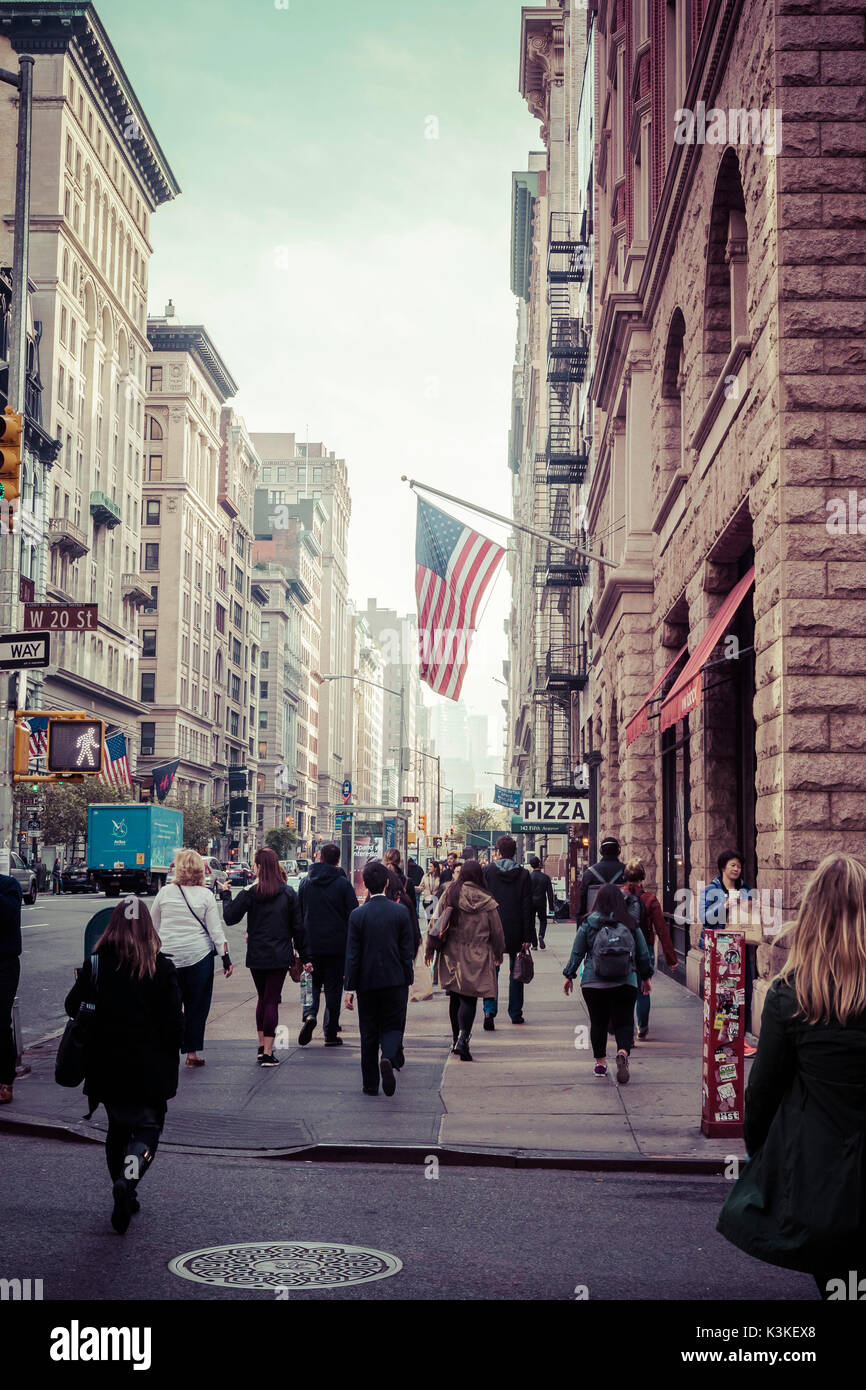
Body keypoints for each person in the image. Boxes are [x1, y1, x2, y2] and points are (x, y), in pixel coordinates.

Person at [717, 853, 866, 1299]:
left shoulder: (791, 994)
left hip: (820, 1171)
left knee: (841, 1283)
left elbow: (761, 1094)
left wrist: (766, 1157)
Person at [64, 899, 183, 1234]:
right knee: (147, 1129)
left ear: (112, 925)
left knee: (117, 1128)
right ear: (148, 926)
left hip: (107, 1063)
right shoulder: (160, 967)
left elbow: (72, 1006)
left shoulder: (98, 963)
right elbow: (175, 1023)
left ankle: (123, 1186)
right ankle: (127, 1183)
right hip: (150, 1066)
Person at [223, 847, 310, 1066]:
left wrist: (225, 894)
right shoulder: (289, 893)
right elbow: (298, 928)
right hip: (280, 955)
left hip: (257, 954)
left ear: (259, 867)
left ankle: (262, 1046)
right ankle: (269, 1052)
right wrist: (306, 955)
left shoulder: (251, 893)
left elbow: (230, 917)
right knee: (272, 1000)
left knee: (262, 998)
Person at [562, 883, 653, 1084]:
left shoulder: (589, 923)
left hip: (594, 983)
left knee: (598, 1022)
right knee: (624, 1021)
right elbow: (643, 953)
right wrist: (645, 977)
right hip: (625, 982)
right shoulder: (630, 922)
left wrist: (569, 975)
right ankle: (622, 1052)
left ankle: (601, 1063)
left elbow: (577, 951)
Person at [151, 849, 231, 1069]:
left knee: (168, 1006)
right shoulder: (206, 895)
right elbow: (216, 931)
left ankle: (165, 1050)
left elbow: (153, 927)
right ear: (199, 870)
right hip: (199, 957)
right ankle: (192, 1053)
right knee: (197, 1007)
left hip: (168, 958)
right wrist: (225, 958)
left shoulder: (165, 893)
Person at [344, 859, 415, 1096]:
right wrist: (408, 976)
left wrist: (349, 988)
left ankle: (370, 1083)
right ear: (387, 883)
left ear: (365, 884)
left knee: (368, 1031)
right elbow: (407, 950)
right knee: (394, 1026)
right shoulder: (400, 912)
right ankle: (387, 1057)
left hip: (367, 982)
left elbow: (353, 955)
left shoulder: (357, 915)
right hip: (395, 980)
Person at [426, 859, 504, 1060]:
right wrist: (498, 953)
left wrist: (430, 948)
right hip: (477, 953)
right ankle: (463, 1039)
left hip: (452, 952)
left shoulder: (451, 893)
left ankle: (455, 1040)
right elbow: (497, 931)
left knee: (454, 996)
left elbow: (435, 921)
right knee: (469, 998)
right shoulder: (487, 900)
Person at [297, 842, 358, 1047]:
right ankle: (330, 1033)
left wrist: (299, 945)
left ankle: (309, 1015)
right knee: (333, 989)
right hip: (336, 946)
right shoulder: (343, 884)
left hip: (311, 945)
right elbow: (353, 914)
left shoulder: (305, 883)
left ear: (320, 858)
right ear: (337, 861)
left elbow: (298, 914)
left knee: (311, 985)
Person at [699, 849, 757, 1055]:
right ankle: (721, 1039)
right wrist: (724, 905)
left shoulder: (746, 889)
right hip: (720, 951)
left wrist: (750, 907)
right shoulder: (710, 890)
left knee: (743, 995)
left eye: (739, 866)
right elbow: (704, 918)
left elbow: (754, 917)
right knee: (722, 997)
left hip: (741, 950)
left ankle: (738, 1040)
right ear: (723, 867)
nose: (736, 869)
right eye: (733, 865)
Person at [482, 835, 535, 1028]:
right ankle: (515, 1012)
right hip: (517, 929)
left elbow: (483, 901)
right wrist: (528, 936)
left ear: (498, 851)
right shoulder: (523, 874)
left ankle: (489, 1010)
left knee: (491, 972)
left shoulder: (487, 871)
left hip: (492, 928)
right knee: (517, 972)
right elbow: (527, 906)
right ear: (514, 852)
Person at [622, 858, 679, 1039]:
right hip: (644, 948)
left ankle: (626, 1028)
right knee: (643, 989)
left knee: (623, 989)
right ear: (643, 877)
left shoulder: (618, 897)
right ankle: (642, 1026)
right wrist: (671, 959)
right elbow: (662, 930)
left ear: (625, 877)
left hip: (622, 949)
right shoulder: (650, 900)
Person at [0, 873, 23, 1105]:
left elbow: (7, 914)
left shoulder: (8, 886)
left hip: (3, 964)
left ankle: (5, 1080)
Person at [577, 836, 626, 920]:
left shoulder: (589, 873)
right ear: (619, 851)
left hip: (595, 921)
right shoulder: (627, 871)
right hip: (622, 921)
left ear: (601, 851)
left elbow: (582, 902)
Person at [528, 855, 555, 950]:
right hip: (541, 901)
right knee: (543, 920)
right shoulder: (545, 877)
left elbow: (525, 893)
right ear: (539, 864)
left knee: (531, 923)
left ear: (531, 865)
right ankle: (541, 935)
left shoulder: (529, 877)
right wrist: (551, 906)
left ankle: (534, 944)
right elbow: (550, 893)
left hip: (531, 902)